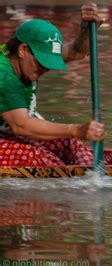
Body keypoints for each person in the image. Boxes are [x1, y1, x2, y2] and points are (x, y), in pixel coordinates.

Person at [0, 3, 106, 167]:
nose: (45, 68)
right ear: (22, 50)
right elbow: (21, 126)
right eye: (41, 62)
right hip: (13, 131)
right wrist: (76, 130)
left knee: (71, 144)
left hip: (8, 133)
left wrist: (86, 29)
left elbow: (77, 51)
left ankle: (93, 177)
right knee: (37, 158)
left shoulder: (24, 59)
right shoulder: (3, 75)